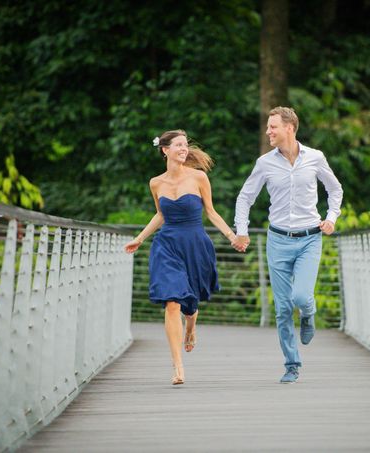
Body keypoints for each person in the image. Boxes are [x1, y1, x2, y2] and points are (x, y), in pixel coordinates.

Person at [233, 107, 343, 384]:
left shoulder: (315, 158)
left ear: (289, 128)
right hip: (278, 241)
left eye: (273, 127)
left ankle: (309, 313)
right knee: (282, 309)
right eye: (268, 127)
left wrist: (331, 218)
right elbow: (245, 198)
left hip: (309, 239)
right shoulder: (264, 163)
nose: (268, 131)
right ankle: (292, 364)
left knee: (301, 297)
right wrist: (242, 231)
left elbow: (335, 189)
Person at [124, 130, 239, 385]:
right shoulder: (156, 183)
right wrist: (140, 238)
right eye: (178, 145)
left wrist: (232, 236)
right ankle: (178, 367)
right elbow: (160, 214)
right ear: (165, 150)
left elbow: (211, 212)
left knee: (190, 303)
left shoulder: (199, 177)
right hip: (166, 244)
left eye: (185, 145)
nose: (183, 148)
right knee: (172, 301)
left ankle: (191, 326)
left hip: (195, 243)